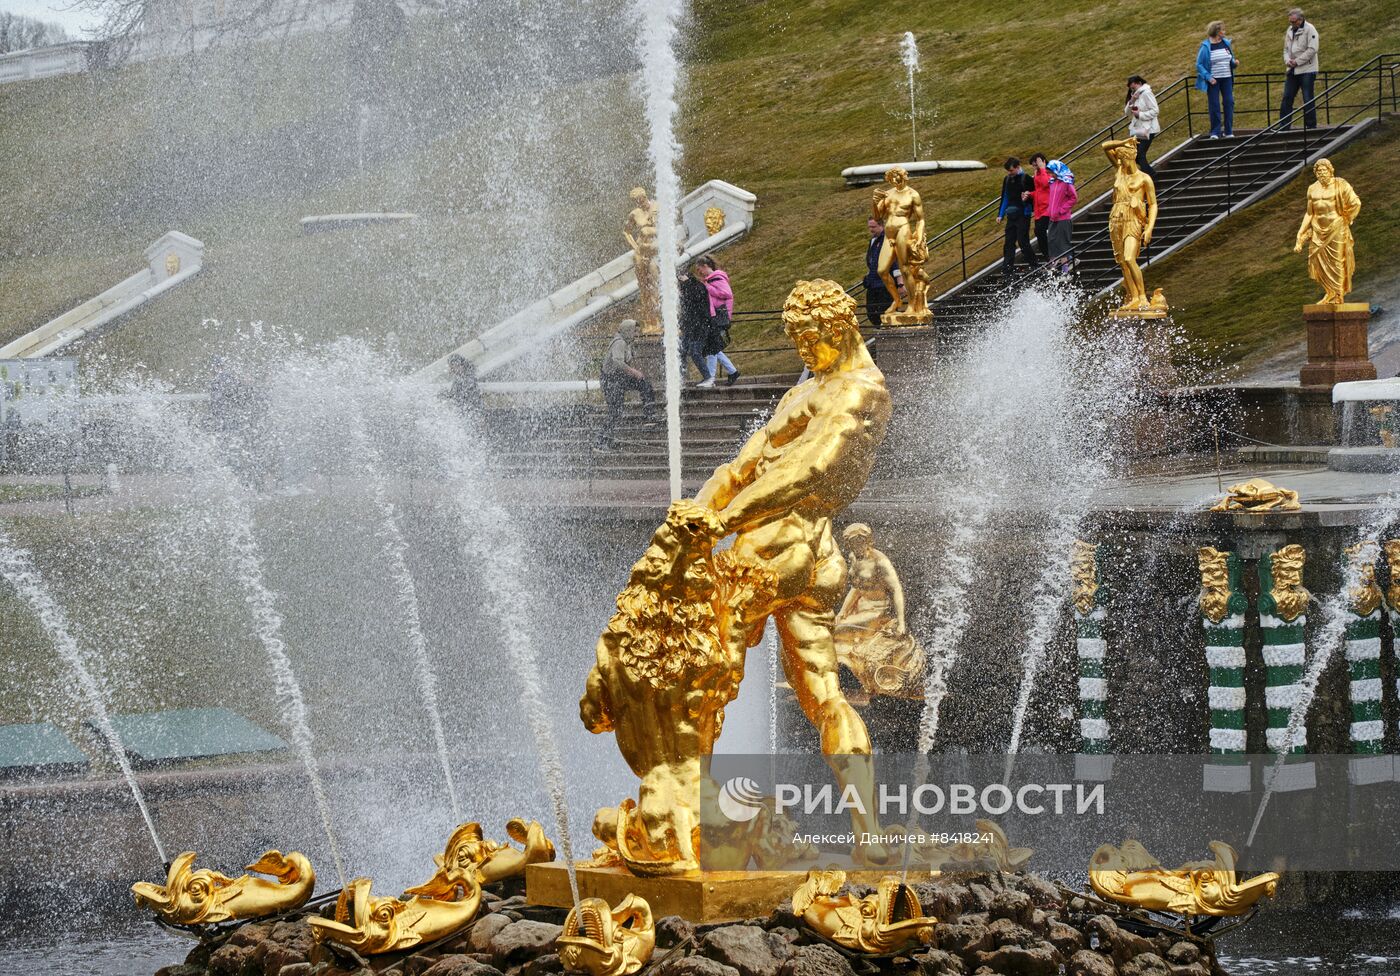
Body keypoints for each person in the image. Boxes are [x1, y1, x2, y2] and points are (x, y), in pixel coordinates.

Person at [1294, 158, 1360, 305]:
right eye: (1319, 171)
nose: (1322, 173)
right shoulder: (1312, 188)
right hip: (1318, 230)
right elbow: (1309, 213)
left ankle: (1338, 295)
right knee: (1318, 262)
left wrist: (1347, 218)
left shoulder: (1340, 185)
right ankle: (1329, 292)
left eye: (1324, 170)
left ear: (1331, 171)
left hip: (1336, 228)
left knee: (1337, 261)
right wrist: (1301, 232)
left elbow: (1356, 203)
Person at [597, 319, 657, 451]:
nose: (636, 334)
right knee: (615, 412)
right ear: (627, 330)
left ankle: (649, 415)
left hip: (619, 378)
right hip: (610, 380)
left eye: (637, 331)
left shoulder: (628, 343)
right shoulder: (619, 342)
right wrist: (633, 372)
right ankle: (601, 442)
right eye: (634, 331)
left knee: (644, 383)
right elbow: (618, 362)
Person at [694, 255, 740, 386]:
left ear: (705, 266)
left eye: (699, 270)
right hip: (715, 317)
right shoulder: (711, 279)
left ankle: (710, 378)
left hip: (719, 317)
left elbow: (727, 293)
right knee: (714, 347)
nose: (699, 273)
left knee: (711, 348)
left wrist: (707, 287)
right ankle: (732, 371)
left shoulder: (717, 278)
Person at [996, 156, 1038, 284]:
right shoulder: (1007, 180)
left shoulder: (1026, 179)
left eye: (1012, 170)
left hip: (1023, 214)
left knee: (1023, 240)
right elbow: (1005, 197)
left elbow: (1035, 195)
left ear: (1018, 167)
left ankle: (1034, 265)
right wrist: (1000, 214)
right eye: (1008, 171)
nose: (1010, 173)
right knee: (1009, 242)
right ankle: (1007, 269)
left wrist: (1031, 209)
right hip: (1011, 215)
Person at [1195, 21, 1239, 139]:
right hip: (1214, 81)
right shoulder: (1205, 47)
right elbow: (1199, 65)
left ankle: (1228, 131)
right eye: (1223, 30)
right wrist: (1209, 77)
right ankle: (1215, 132)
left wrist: (1234, 63)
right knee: (1214, 105)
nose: (1224, 32)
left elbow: (1230, 59)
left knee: (1229, 102)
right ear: (1217, 32)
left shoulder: (1226, 43)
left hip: (1227, 78)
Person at [1280, 8, 1319, 130]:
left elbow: (1312, 49)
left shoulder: (1310, 29)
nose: (1291, 24)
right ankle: (1284, 126)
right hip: (1292, 69)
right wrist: (1288, 61)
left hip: (1307, 69)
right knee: (1287, 96)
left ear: (1300, 19)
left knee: (1307, 97)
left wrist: (1297, 61)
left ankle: (1311, 126)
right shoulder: (1290, 30)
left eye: (1293, 21)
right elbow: (1286, 49)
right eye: (1290, 21)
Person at [862, 218, 904, 326]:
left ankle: (888, 332)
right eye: (869, 227)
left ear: (881, 226)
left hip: (885, 284)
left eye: (873, 227)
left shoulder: (887, 239)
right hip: (873, 283)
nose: (870, 229)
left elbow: (895, 261)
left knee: (886, 311)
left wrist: (900, 283)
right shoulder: (873, 241)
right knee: (871, 312)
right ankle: (880, 329)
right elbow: (871, 261)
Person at [677, 270, 713, 385]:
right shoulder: (685, 289)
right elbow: (687, 310)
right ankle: (680, 378)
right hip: (690, 328)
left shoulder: (697, 286)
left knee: (695, 352)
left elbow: (697, 298)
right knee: (681, 351)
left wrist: (687, 283)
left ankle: (708, 378)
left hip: (700, 327)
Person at [1046, 159, 1079, 274]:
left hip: (1063, 218)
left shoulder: (1066, 182)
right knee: (1051, 240)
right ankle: (1056, 264)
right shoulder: (1052, 182)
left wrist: (1061, 210)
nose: (1050, 174)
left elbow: (1073, 197)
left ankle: (1066, 268)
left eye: (1051, 172)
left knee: (1062, 243)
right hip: (1052, 217)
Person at [1125, 76, 1161, 178]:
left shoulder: (1146, 93)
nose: (1133, 90)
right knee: (1135, 156)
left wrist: (1140, 115)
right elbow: (1126, 113)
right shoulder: (1134, 96)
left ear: (1139, 83)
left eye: (1134, 87)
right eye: (1131, 88)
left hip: (1149, 129)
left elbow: (1155, 110)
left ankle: (1151, 176)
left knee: (1140, 155)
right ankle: (1150, 175)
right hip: (1139, 130)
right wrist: (1131, 101)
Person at [1029, 153, 1052, 261]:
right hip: (1039, 210)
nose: (1035, 168)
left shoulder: (1048, 172)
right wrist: (1029, 194)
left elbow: (1046, 184)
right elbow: (1039, 191)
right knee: (1038, 232)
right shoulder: (1037, 174)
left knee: (1041, 230)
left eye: (1036, 165)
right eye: (1033, 166)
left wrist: (1042, 169)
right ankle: (1048, 257)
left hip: (1047, 208)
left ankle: (1051, 256)